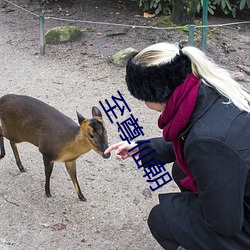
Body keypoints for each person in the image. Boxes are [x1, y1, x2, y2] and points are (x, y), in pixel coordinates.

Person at [104, 42, 250, 250]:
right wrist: (141, 148)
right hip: (240, 185)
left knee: (162, 218)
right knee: (181, 169)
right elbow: (188, 139)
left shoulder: (207, 142)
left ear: (155, 93)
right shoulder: (208, 88)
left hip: (241, 222)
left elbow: (225, 224)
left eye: (143, 97)